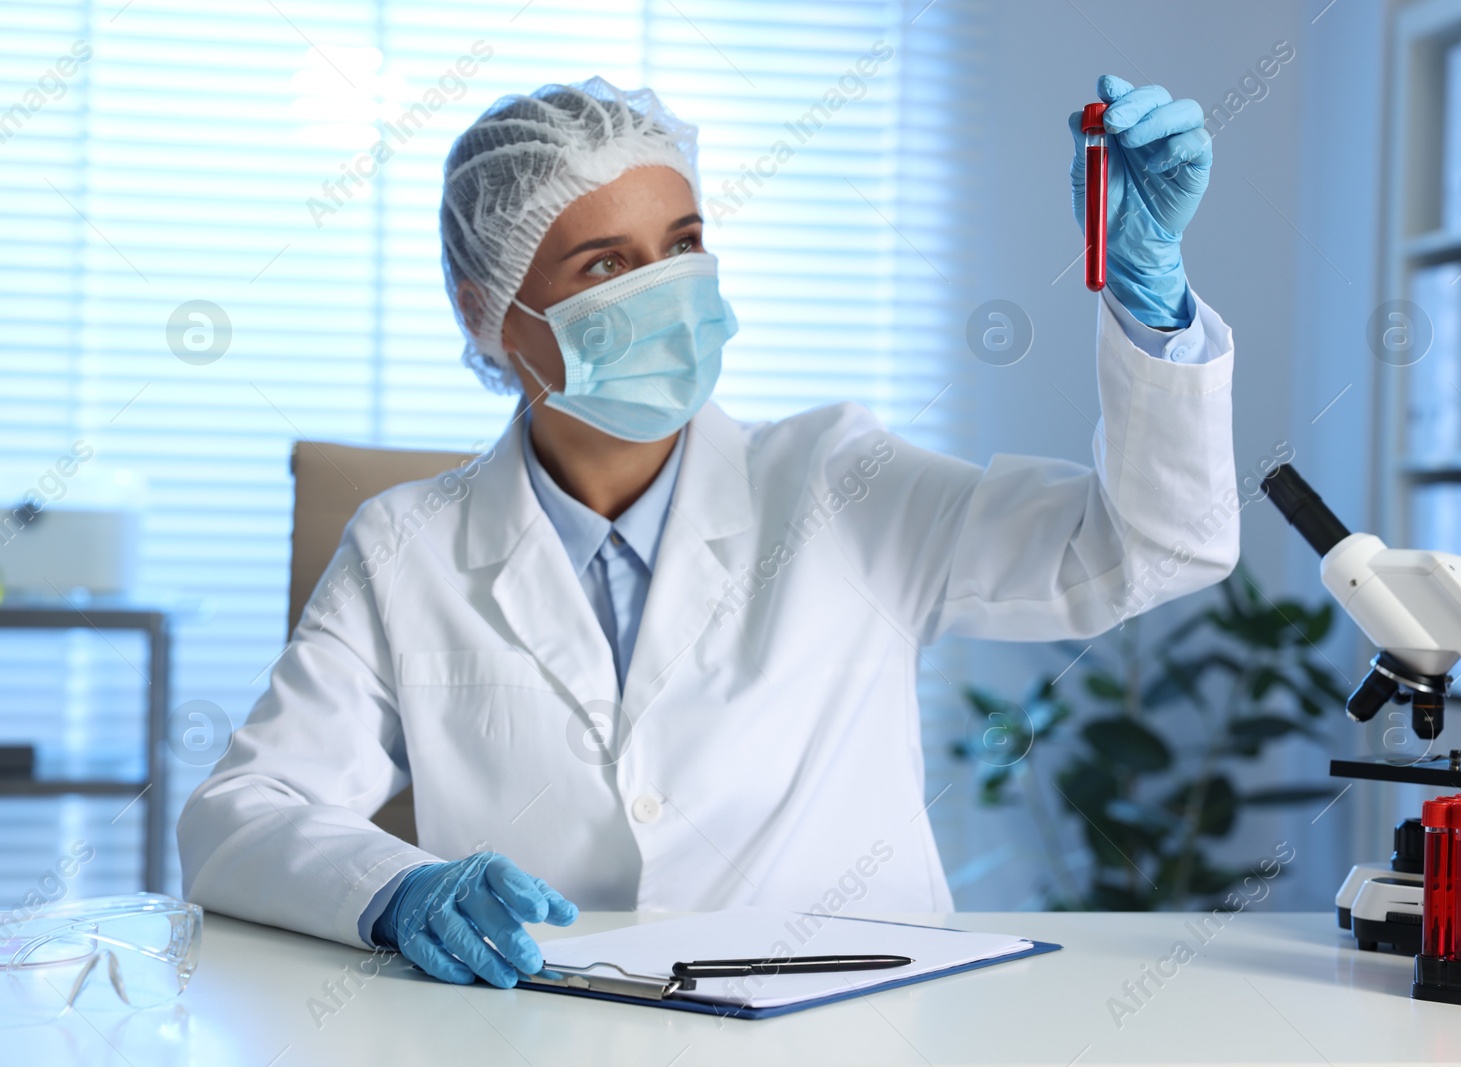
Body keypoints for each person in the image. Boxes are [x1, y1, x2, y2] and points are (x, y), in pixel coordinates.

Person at [178, 74, 1238, 988]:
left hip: (858, 1022)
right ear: (486, 311)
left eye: (682, 244)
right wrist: (392, 886)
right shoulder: (406, 543)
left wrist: (1156, 309)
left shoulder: (839, 476)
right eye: (605, 265)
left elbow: (1145, 549)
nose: (666, 291)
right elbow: (238, 815)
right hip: (552, 1028)